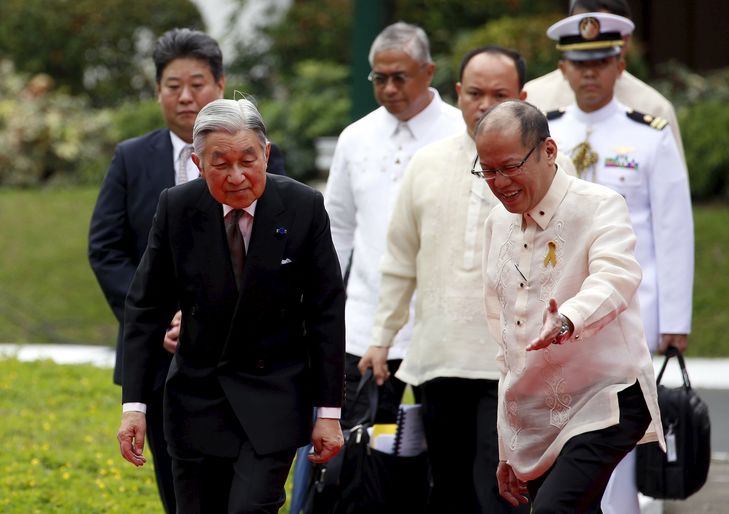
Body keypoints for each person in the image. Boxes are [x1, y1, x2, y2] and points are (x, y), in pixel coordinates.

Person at [357, 46, 574, 514]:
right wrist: (381, 338)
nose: (486, 104)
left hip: (516, 364)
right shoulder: (425, 164)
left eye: (500, 94)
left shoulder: (553, 169)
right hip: (440, 357)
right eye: (475, 93)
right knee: (449, 490)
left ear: (523, 95)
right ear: (457, 93)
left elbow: (572, 262)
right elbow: (399, 259)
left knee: (498, 493)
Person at [115, 98, 345, 514]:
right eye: (221, 164)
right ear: (199, 165)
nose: (237, 176)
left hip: (273, 397)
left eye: (248, 159)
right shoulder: (177, 208)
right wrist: (134, 407)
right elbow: (145, 308)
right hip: (197, 400)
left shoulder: (303, 206)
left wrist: (328, 411)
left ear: (267, 154)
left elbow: (326, 312)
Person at [88, 28, 285, 513]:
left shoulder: (256, 156)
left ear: (220, 84)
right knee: (181, 487)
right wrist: (160, 318)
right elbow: (106, 248)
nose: (185, 95)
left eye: (196, 83)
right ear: (158, 92)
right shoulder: (132, 158)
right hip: (161, 357)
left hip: (247, 359)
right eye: (172, 85)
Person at [477, 99, 665, 513]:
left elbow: (617, 277)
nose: (500, 182)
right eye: (487, 170)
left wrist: (567, 319)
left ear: (548, 150)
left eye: (510, 166)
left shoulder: (599, 204)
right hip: (537, 409)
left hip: (606, 395)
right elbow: (505, 341)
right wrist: (507, 448)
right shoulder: (496, 222)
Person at [543, 11, 694, 513]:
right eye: (579, 63)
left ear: (620, 64)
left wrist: (674, 319)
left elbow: (673, 230)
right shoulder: (548, 137)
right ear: (563, 68)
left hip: (631, 309)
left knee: (622, 429)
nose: (591, 73)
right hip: (560, 308)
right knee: (563, 428)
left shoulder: (649, 136)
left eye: (602, 61)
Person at [323, 21, 464, 430]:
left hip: (442, 321)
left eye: (399, 77)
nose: (388, 89)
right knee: (356, 447)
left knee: (444, 449)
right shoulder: (355, 137)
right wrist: (326, 303)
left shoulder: (462, 133)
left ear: (428, 72)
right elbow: (338, 229)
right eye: (379, 78)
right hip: (364, 319)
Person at [523, 0, 686, 161]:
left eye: (601, 60)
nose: (590, 43)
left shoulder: (653, 107)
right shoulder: (534, 98)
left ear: (626, 41)